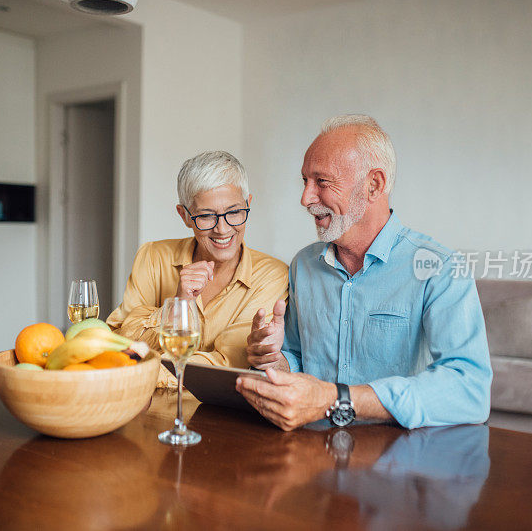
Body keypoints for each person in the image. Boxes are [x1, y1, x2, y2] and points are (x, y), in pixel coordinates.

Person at [238, 115, 492, 430]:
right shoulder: (303, 266)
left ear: (374, 185)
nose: (306, 198)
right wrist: (273, 359)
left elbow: (470, 390)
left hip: (399, 459)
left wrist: (338, 399)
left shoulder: (441, 269)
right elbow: (296, 358)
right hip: (310, 454)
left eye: (322, 182)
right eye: (305, 181)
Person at [107, 151, 288, 386]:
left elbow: (231, 364)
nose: (222, 229)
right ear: (185, 216)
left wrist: (142, 370)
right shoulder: (152, 257)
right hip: (146, 407)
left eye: (234, 212)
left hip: (223, 415)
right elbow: (119, 343)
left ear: (248, 205)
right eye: (205, 216)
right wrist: (178, 308)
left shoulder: (272, 275)